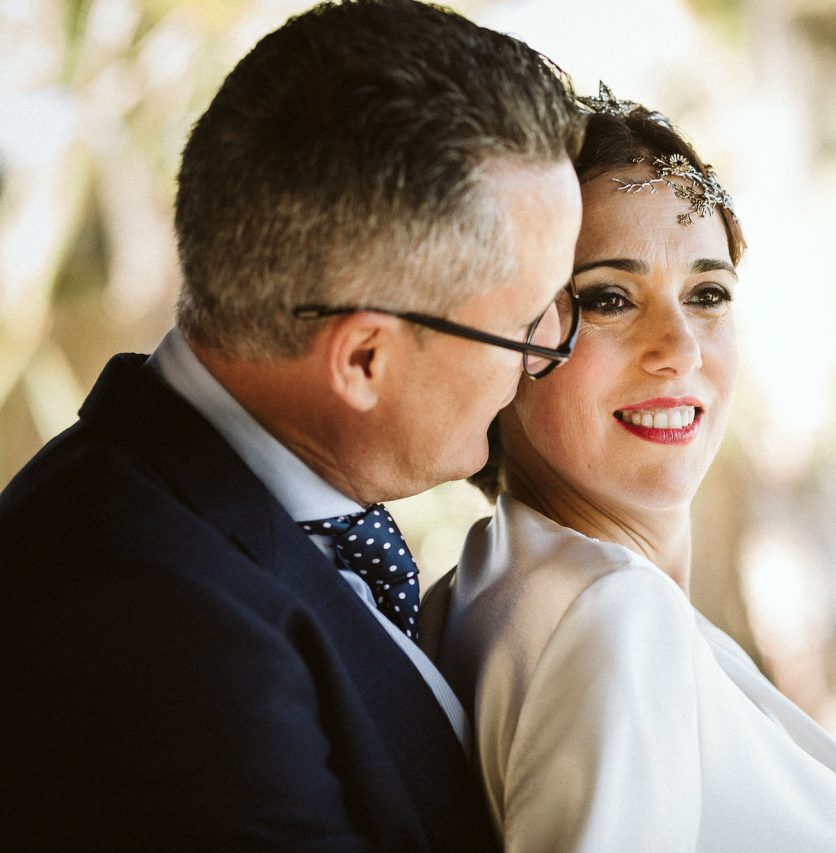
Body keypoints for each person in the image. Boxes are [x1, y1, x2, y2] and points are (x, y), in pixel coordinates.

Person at [0, 1, 584, 849]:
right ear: (362, 361)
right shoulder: (150, 632)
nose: (545, 356)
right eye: (528, 322)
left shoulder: (245, 502)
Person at [426, 87, 836, 852]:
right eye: (611, 297)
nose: (679, 347)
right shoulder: (612, 616)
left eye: (707, 293)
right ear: (510, 337)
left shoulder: (484, 589)